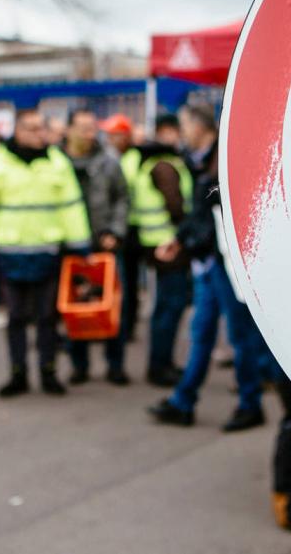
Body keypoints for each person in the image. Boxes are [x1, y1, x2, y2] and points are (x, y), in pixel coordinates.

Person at [149, 104, 268, 431]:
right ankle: (184, 400)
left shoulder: (221, 158)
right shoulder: (200, 160)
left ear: (200, 126)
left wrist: (185, 240)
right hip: (209, 261)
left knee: (238, 335)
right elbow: (201, 213)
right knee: (202, 332)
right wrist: (181, 239)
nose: (182, 131)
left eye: (185, 124)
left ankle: (250, 403)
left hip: (225, 262)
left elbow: (215, 210)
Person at [0, 109, 89, 398]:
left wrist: (79, 242)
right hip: (10, 254)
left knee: (47, 317)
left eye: (41, 128)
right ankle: (18, 373)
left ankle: (48, 372)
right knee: (16, 317)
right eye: (31, 128)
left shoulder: (57, 163)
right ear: (17, 131)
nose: (38, 134)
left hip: (47, 252)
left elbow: (71, 206)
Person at [61, 108, 131, 385]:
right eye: (83, 127)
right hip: (71, 246)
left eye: (93, 127)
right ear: (69, 130)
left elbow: (122, 198)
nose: (89, 133)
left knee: (113, 305)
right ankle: (79, 365)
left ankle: (116, 364)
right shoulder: (57, 162)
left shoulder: (108, 161)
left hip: (105, 244)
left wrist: (115, 231)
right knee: (76, 306)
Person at [134, 114, 194, 387]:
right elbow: (176, 206)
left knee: (164, 307)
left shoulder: (149, 160)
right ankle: (161, 366)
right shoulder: (165, 165)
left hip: (156, 242)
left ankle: (160, 364)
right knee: (170, 306)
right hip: (169, 245)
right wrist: (186, 233)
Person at [101, 114, 146, 343]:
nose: (111, 139)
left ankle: (127, 327)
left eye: (115, 135)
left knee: (129, 281)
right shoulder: (107, 158)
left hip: (134, 228)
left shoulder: (134, 158)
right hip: (115, 228)